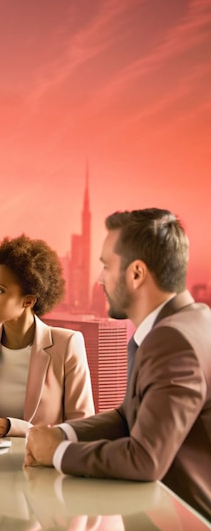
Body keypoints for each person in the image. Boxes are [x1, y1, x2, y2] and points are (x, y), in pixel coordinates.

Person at [25, 208, 211, 522]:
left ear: (136, 274)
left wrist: (55, 454)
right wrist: (63, 434)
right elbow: (130, 416)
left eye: (106, 266)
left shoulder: (171, 342)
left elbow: (145, 459)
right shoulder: (192, 321)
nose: (100, 279)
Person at [0, 235, 94, 438]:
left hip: (44, 465)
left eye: (0, 290)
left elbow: (83, 429)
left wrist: (12, 427)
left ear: (28, 301)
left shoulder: (67, 345)